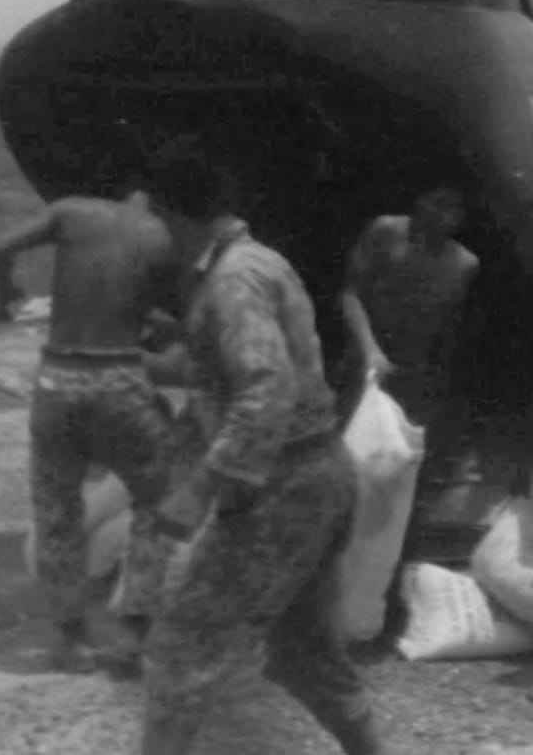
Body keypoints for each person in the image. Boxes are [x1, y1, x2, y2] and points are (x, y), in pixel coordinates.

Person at [143, 137, 385, 755]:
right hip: (317, 476)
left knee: (182, 645)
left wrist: (198, 490)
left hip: (284, 487)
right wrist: (186, 348)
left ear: (174, 211)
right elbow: (264, 371)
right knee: (304, 655)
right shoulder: (259, 262)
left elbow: (266, 392)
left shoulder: (233, 281)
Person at [0, 182, 177, 674]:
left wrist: (6, 294)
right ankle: (134, 634)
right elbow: (171, 316)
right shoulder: (163, 238)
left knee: (55, 512)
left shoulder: (70, 212)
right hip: (122, 382)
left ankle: (73, 642)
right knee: (157, 503)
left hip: (58, 380)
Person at [338, 187, 479, 424]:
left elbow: (447, 324)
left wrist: (436, 377)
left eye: (454, 209)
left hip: (411, 372)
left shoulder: (465, 264)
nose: (445, 215)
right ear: (420, 201)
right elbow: (350, 295)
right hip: (364, 360)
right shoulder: (387, 231)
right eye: (438, 203)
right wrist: (370, 350)